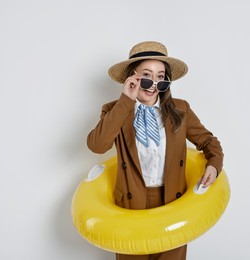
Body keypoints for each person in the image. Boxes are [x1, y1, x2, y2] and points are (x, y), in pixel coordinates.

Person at [87, 41, 224, 260]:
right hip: (131, 206)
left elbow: (209, 142)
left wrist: (214, 166)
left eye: (161, 77)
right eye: (147, 76)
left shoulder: (181, 109)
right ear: (133, 76)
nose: (153, 85)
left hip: (173, 201)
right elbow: (97, 145)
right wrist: (126, 101)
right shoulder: (115, 110)